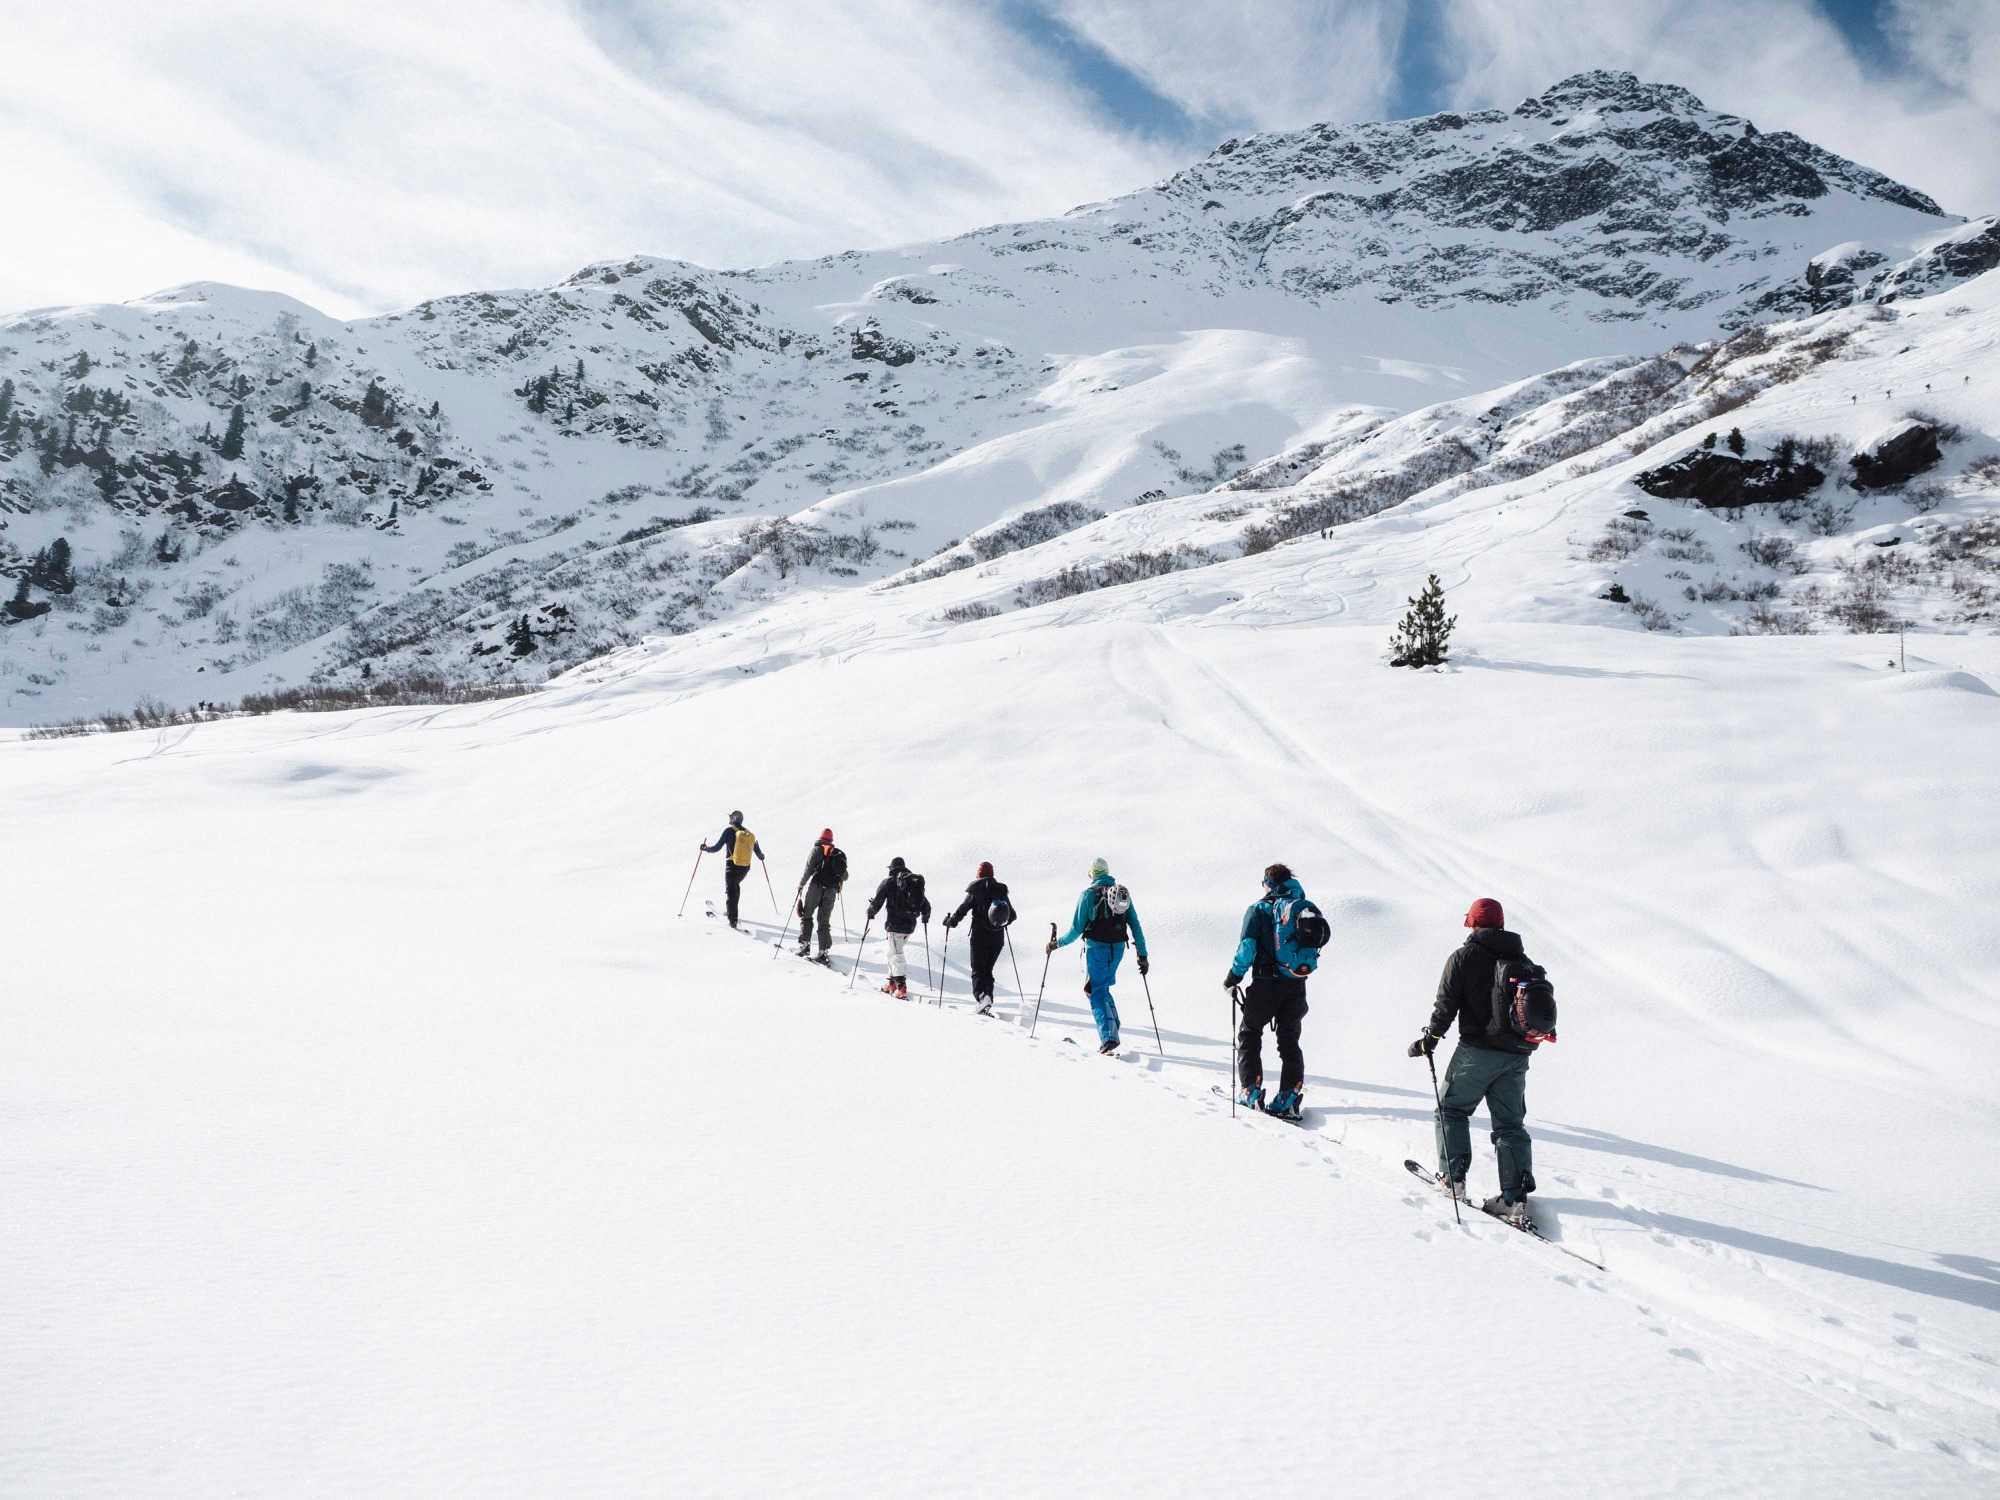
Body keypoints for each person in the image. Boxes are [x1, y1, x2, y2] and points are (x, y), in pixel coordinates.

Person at [1408, 897, 1539, 1226]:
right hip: (1517, 1055)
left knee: (1450, 1110)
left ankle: (1452, 1180)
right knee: (1510, 1126)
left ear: (1472, 923)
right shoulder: (1521, 959)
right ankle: (1514, 1200)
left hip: (1477, 1052)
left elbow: (1446, 1004)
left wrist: (1430, 1040)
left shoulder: (1464, 957)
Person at [1224, 863, 1317, 1119]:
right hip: (1296, 984)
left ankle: (1250, 1090)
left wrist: (1233, 978)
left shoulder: (1258, 909)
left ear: (1268, 883)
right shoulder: (1302, 908)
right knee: (1289, 1040)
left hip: (1265, 984)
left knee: (1249, 1035)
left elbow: (1247, 949)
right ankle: (1289, 1095)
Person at [1048, 858, 1148, 1054]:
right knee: (1102, 987)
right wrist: (1142, 955)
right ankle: (1113, 1024)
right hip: (1118, 950)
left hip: (1097, 949)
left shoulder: (1087, 894)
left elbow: (1076, 929)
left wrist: (1056, 944)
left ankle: (1109, 1038)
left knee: (1094, 991)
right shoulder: (1122, 894)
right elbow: (1135, 924)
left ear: (1093, 874)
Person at [943, 861, 1012, 1015]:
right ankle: (987, 999)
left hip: (979, 937)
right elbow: (1012, 915)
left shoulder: (975, 889)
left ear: (979, 874)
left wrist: (950, 922)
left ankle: (982, 998)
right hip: (997, 939)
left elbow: (962, 910)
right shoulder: (1001, 890)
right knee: (988, 969)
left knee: (978, 969)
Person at [865, 857, 930, 999]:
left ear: (892, 868)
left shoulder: (889, 882)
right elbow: (926, 905)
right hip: (910, 925)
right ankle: (891, 983)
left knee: (896, 955)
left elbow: (878, 900)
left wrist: (871, 912)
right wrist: (925, 917)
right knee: (893, 953)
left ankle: (901, 987)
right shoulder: (913, 884)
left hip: (895, 925)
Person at [701, 811, 764, 928]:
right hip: (745, 867)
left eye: (730, 816)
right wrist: (761, 856)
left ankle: (732, 920)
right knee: (735, 887)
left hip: (732, 866)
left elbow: (716, 848)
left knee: (731, 891)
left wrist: (706, 848)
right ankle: (732, 912)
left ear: (734, 818)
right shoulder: (748, 833)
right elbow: (759, 854)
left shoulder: (729, 831)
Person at [795, 829, 847, 962]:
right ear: (831, 840)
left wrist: (801, 884)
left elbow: (809, 869)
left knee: (807, 915)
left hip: (816, 887)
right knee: (824, 921)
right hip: (831, 891)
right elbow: (845, 876)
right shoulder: (838, 855)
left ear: (820, 837)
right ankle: (823, 951)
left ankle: (805, 945)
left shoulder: (817, 850)